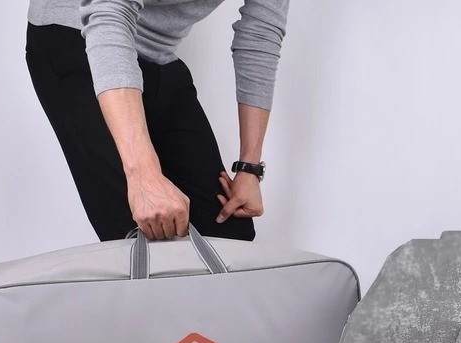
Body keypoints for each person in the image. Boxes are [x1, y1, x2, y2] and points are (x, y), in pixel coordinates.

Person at [24, 0, 289, 241]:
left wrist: (249, 168)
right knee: (139, 232)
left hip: (156, 53)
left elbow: (261, 32)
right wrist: (143, 176)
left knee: (227, 235)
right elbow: (108, 11)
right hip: (80, 31)